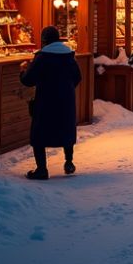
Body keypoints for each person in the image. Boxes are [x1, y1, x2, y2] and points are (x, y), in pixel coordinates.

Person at [20, 26, 82, 180]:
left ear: (44, 40)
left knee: (39, 133)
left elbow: (28, 80)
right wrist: (67, 88)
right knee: (66, 128)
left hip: (45, 100)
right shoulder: (69, 56)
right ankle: (69, 162)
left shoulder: (42, 57)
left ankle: (41, 169)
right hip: (66, 99)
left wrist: (22, 71)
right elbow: (78, 77)